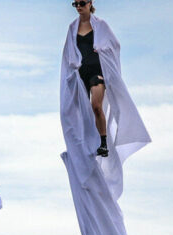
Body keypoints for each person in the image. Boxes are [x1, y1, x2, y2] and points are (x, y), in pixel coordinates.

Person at [72, 0, 108, 157]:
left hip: (97, 70)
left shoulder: (100, 25)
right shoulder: (72, 27)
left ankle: (103, 143)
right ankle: (85, 144)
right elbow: (69, 51)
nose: (79, 6)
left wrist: (102, 48)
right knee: (81, 113)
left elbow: (114, 45)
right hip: (81, 73)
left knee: (96, 106)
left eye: (82, 3)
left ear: (90, 3)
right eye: (75, 4)